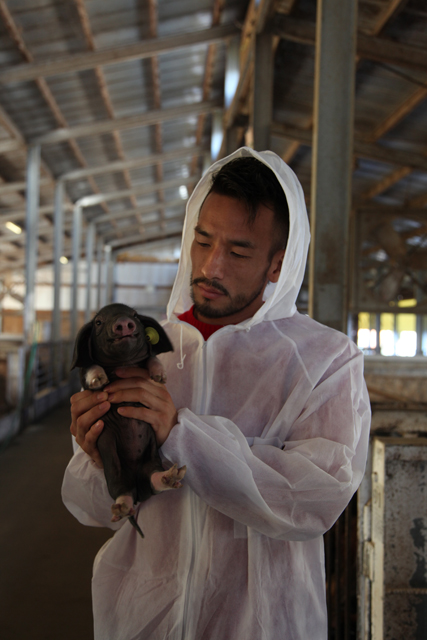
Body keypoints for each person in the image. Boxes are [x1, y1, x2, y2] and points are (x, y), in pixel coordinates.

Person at [62, 147, 371, 640]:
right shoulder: (144, 351)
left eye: (239, 252)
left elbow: (316, 498)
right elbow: (94, 510)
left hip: (261, 624)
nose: (211, 266)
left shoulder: (324, 360)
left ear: (278, 264)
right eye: (202, 241)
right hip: (143, 617)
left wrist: (181, 433)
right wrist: (99, 455)